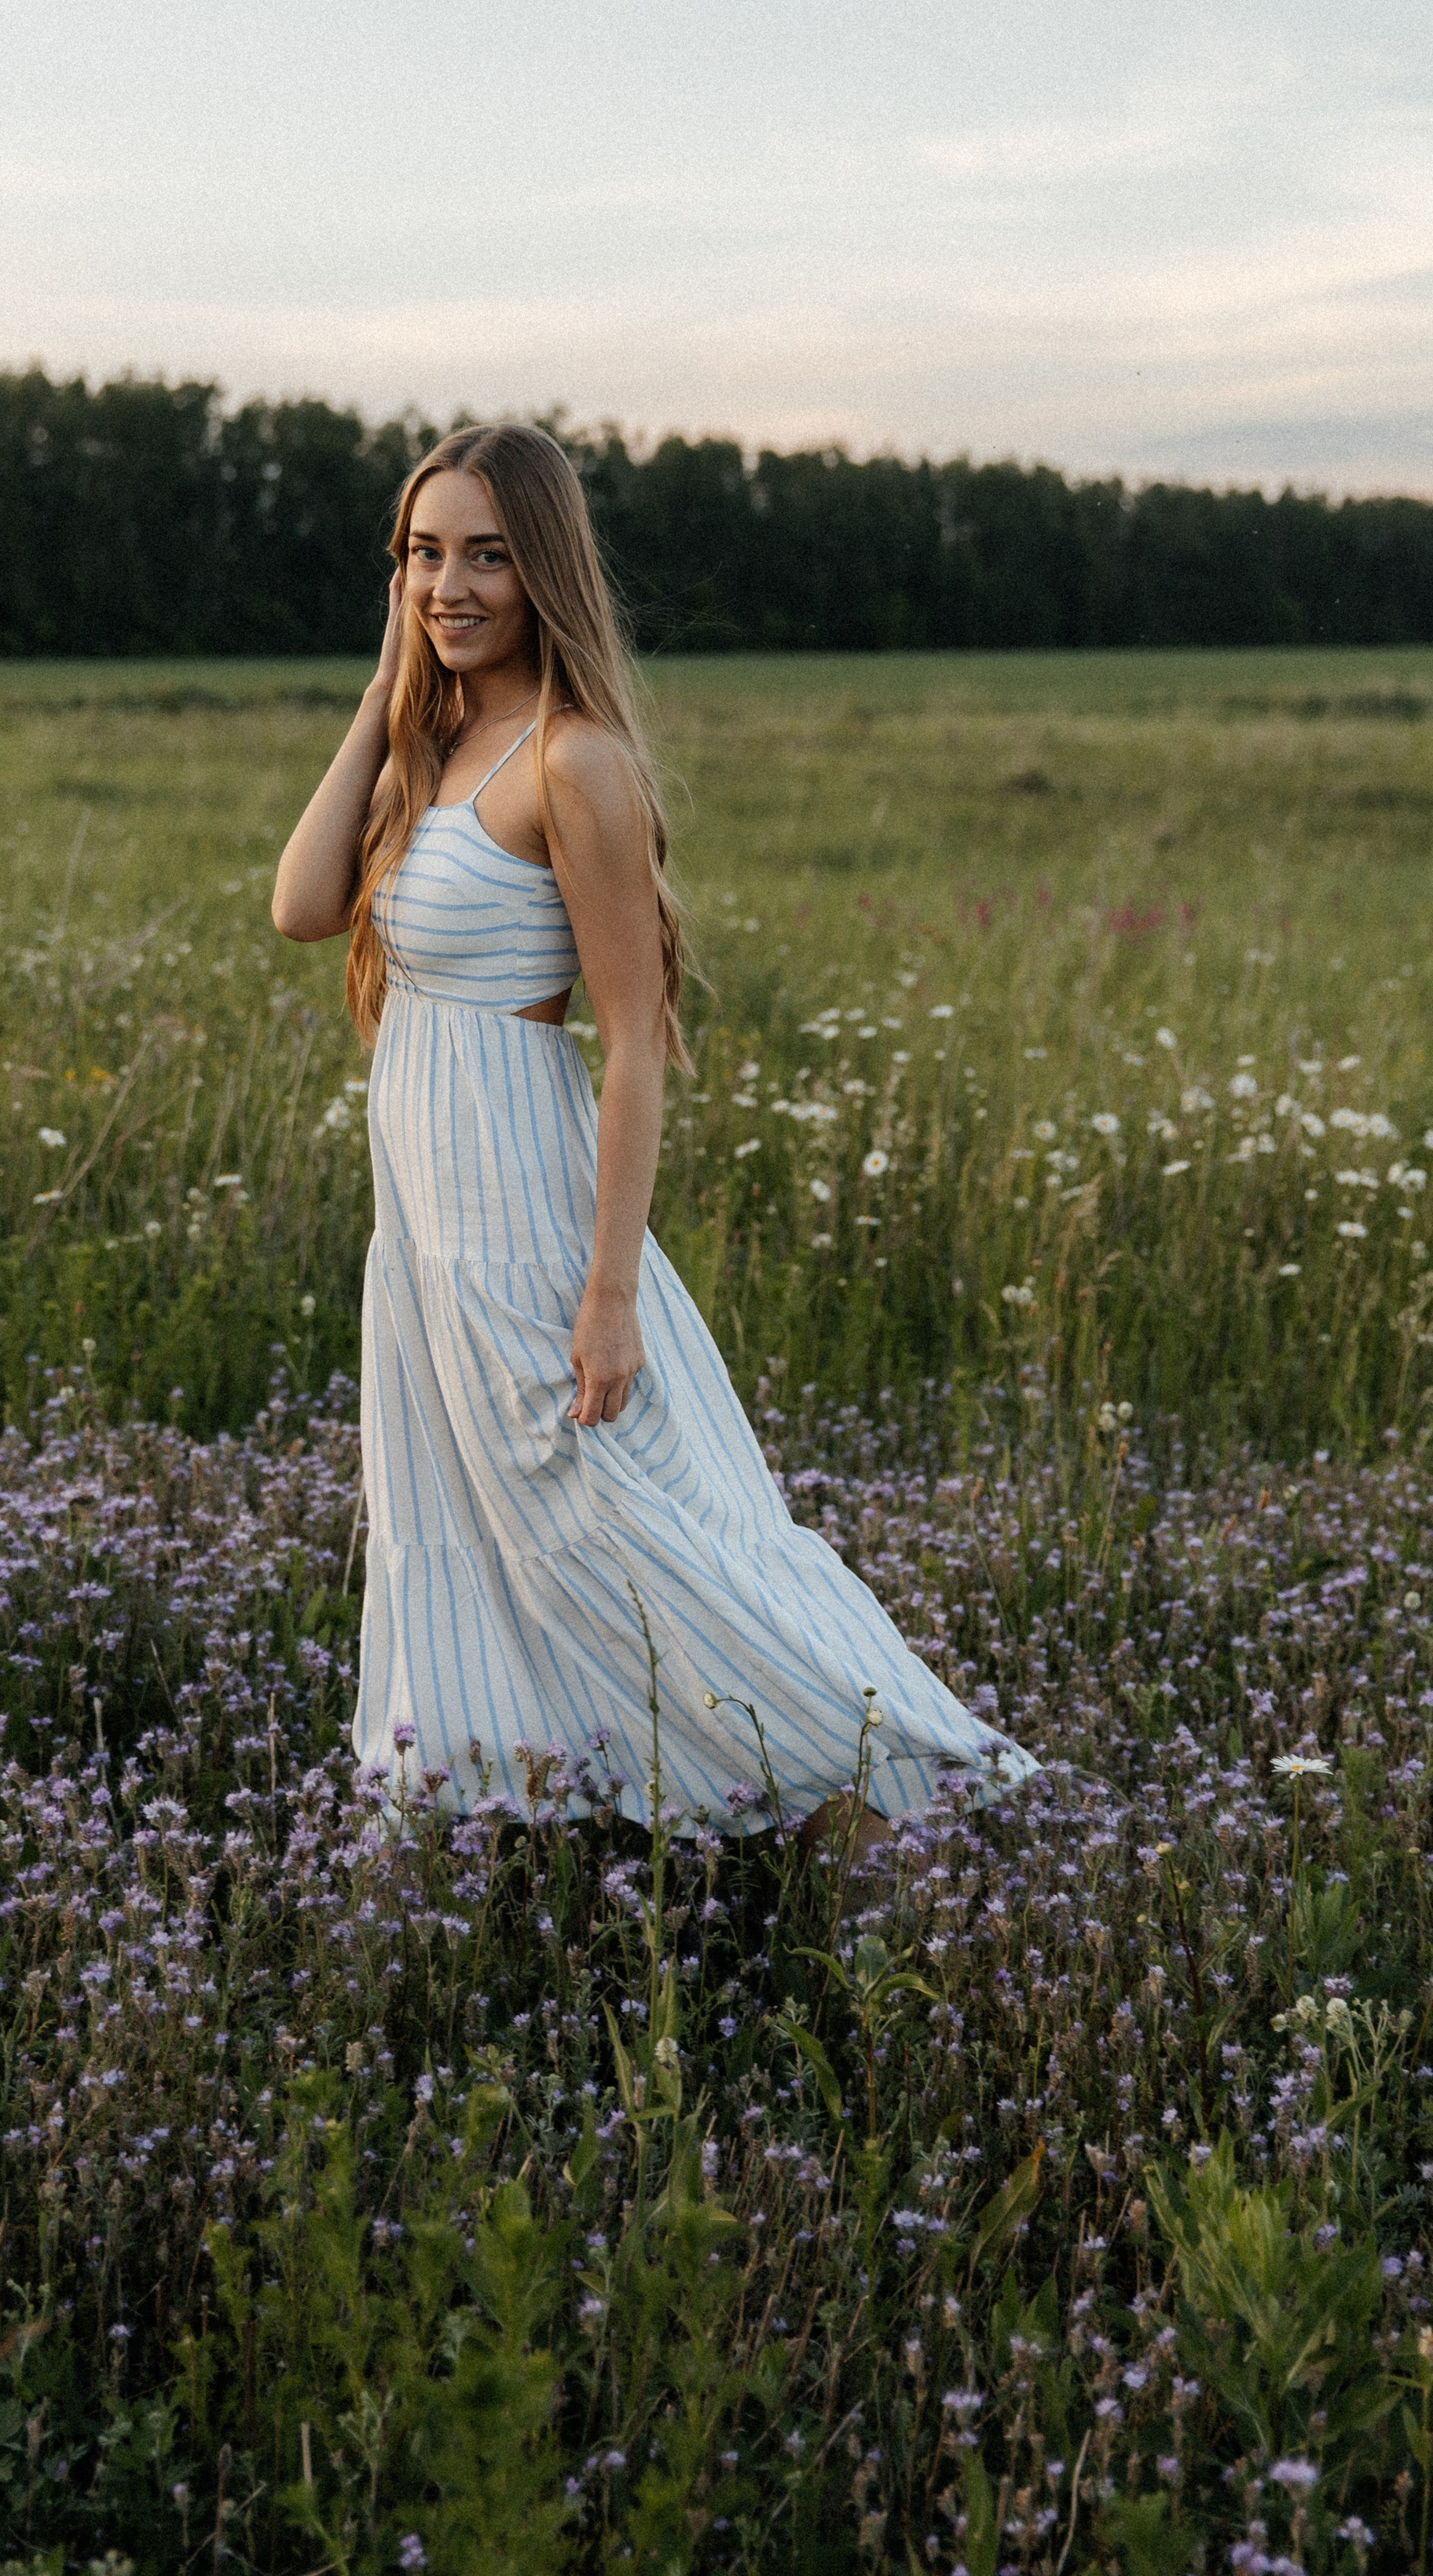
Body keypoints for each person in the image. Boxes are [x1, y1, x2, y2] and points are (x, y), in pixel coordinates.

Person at [271, 423, 1036, 1849]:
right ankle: (491, 1799)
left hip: (523, 1205)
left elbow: (631, 1037)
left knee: (607, 1516)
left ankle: (855, 1783)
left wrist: (609, 1294)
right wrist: (384, 695)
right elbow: (303, 906)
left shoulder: (575, 763)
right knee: (468, 1526)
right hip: (425, 1226)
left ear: (544, 568)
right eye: (424, 554)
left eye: (488, 554)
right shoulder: (431, 749)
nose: (451, 585)